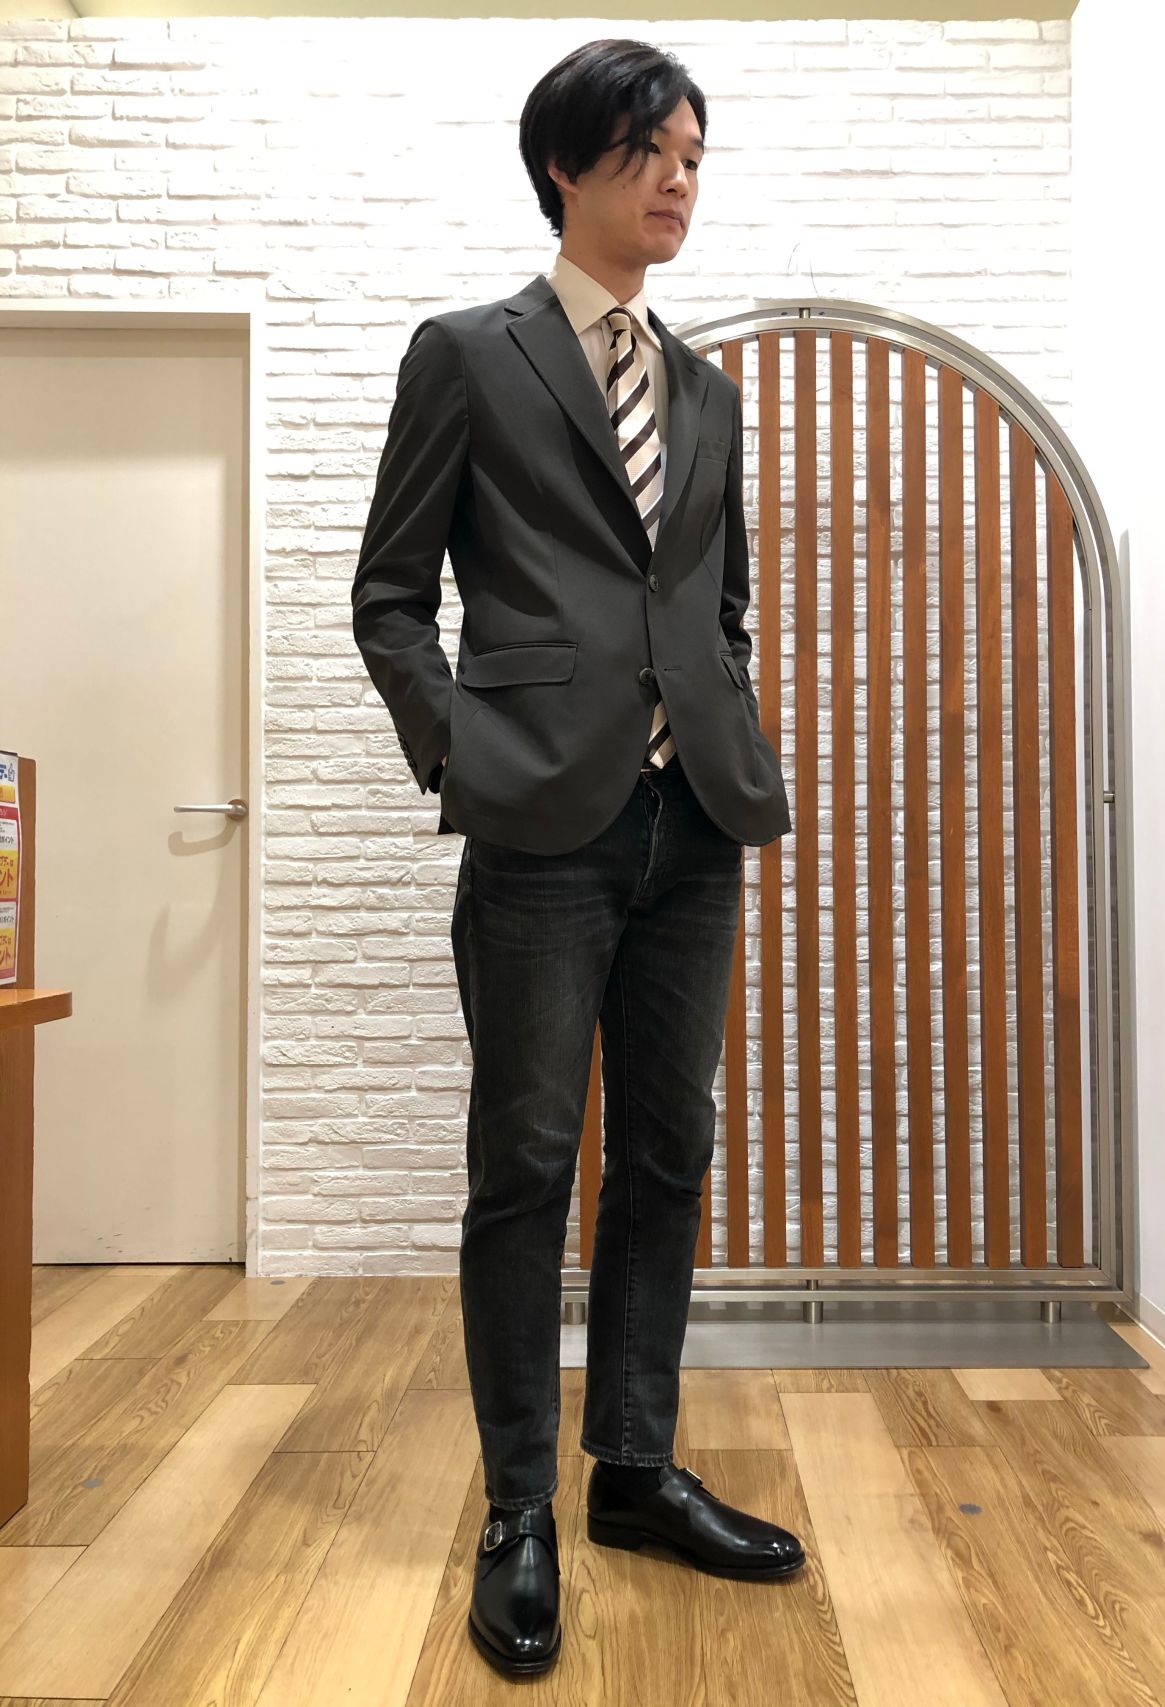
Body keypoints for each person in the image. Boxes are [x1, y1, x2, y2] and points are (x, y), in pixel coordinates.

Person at [351, 36, 803, 1679]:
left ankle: (633, 1470)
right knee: (527, 1162)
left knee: (669, 1154)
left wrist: (723, 725)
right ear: (566, 163)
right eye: (650, 152)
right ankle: (519, 1509)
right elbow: (389, 598)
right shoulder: (471, 356)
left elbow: (713, 606)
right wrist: (464, 752)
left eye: (693, 156)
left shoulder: (708, 393)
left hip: (696, 823)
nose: (679, 180)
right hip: (540, 824)